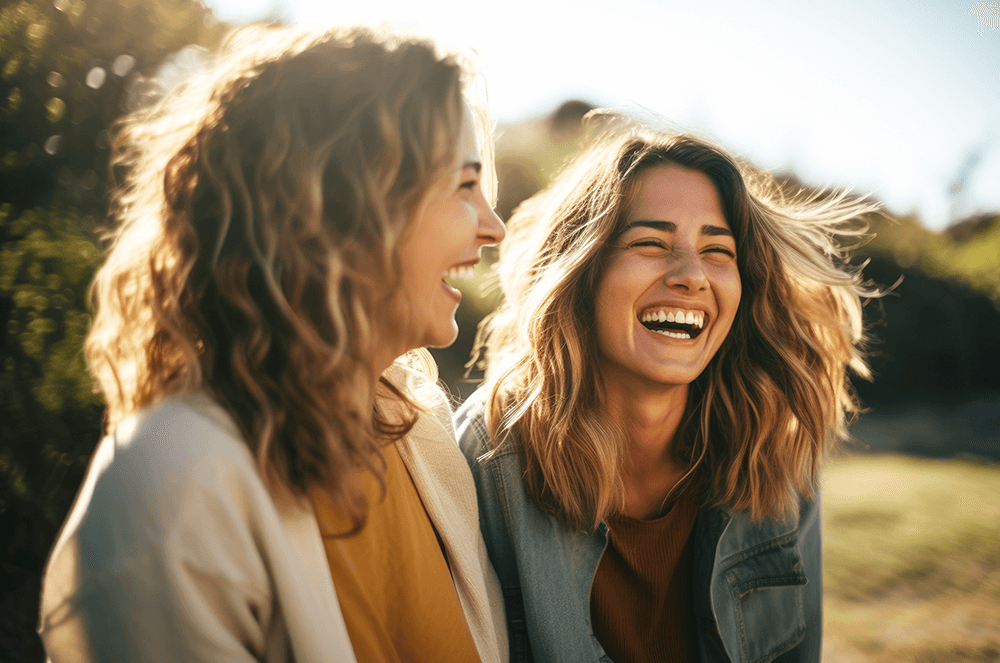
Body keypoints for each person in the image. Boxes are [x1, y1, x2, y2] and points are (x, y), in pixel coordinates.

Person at [40, 24, 507, 662]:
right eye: (463, 186)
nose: (495, 227)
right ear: (338, 205)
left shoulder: (415, 431)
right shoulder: (172, 482)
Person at [457, 120, 879, 663]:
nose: (691, 275)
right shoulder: (488, 457)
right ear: (581, 272)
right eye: (651, 243)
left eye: (718, 251)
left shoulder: (775, 453)